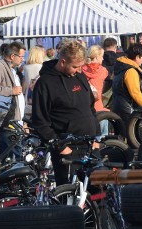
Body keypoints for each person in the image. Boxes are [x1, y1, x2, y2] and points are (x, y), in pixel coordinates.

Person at [30, 39, 98, 186]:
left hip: (89, 145)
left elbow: (90, 107)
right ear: (62, 62)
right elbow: (40, 121)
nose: (79, 70)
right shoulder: (45, 83)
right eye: (75, 67)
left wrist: (96, 138)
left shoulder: (79, 75)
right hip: (67, 148)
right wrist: (60, 147)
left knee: (96, 191)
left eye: (81, 66)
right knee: (68, 195)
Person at [0, 42, 27, 157]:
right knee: (9, 157)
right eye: (21, 56)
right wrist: (11, 91)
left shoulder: (12, 69)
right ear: (13, 56)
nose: (23, 59)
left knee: (16, 156)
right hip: (5, 122)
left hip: (14, 121)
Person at [110, 44, 142, 128]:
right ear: (137, 57)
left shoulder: (120, 67)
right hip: (128, 108)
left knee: (121, 135)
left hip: (118, 106)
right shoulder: (131, 71)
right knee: (132, 136)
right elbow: (135, 93)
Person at [82, 45, 109, 136]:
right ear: (97, 57)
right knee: (102, 135)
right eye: (102, 56)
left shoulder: (81, 70)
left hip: (85, 108)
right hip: (99, 106)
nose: (103, 59)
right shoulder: (103, 71)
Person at [22, 46, 45, 122]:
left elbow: (24, 84)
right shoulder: (42, 67)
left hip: (29, 96)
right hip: (39, 96)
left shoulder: (26, 67)